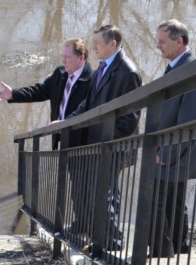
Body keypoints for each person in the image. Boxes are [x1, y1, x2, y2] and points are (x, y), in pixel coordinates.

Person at [65, 25, 142, 251]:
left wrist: (106, 141)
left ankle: (112, 241)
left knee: (105, 194)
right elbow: (87, 104)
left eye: (98, 43)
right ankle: (98, 235)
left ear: (112, 44)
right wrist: (66, 122)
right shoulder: (102, 68)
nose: (94, 47)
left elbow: (131, 118)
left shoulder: (128, 72)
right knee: (95, 192)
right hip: (96, 146)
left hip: (111, 147)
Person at [147, 19, 196, 258]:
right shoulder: (176, 66)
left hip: (176, 153)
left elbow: (190, 119)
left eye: (162, 42)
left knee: (154, 199)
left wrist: (166, 154)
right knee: (173, 201)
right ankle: (179, 249)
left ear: (179, 41)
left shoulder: (193, 69)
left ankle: (162, 253)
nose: (157, 46)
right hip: (175, 152)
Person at [0, 38, 93, 149]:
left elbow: (88, 110)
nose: (63, 61)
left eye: (67, 57)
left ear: (81, 58)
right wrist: (13, 94)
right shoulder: (60, 74)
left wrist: (67, 123)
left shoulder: (93, 80)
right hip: (59, 139)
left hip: (81, 144)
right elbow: (40, 91)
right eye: (62, 57)